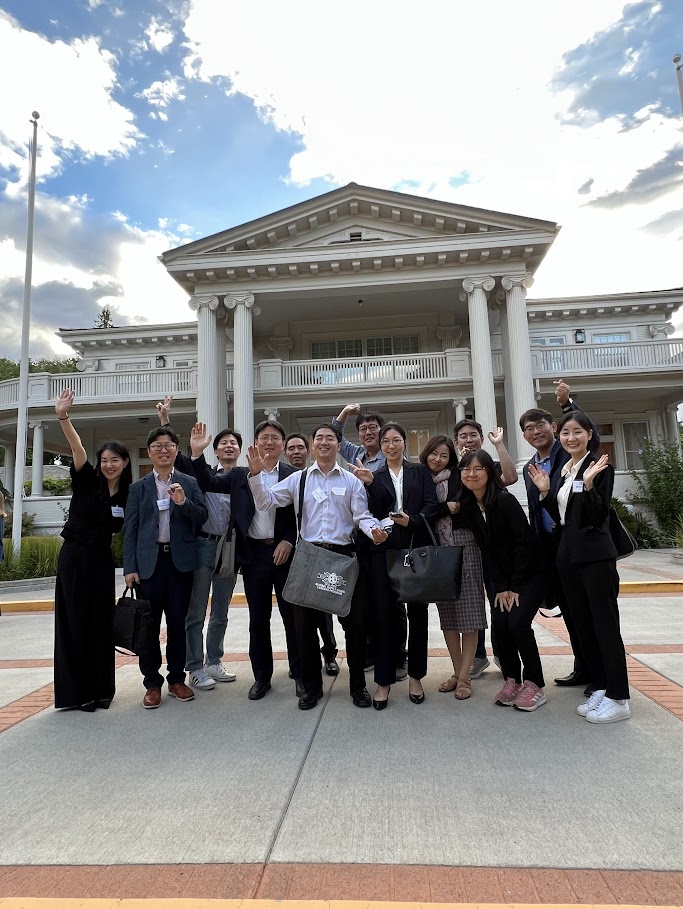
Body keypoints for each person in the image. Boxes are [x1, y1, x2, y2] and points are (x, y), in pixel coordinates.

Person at [247, 423, 387, 710]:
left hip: (345, 559)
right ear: (312, 445)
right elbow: (266, 502)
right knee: (304, 629)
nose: (324, 442)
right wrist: (256, 475)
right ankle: (312, 688)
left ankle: (358, 686)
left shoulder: (351, 481)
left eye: (330, 439)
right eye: (319, 438)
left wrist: (374, 530)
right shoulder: (299, 480)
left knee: (356, 626)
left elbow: (362, 516)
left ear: (338, 445)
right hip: (309, 558)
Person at [529, 412, 630, 723]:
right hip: (568, 556)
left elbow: (597, 517)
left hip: (595, 557)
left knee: (605, 626)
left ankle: (619, 697)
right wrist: (546, 491)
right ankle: (600, 686)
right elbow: (564, 515)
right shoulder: (565, 469)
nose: (570, 438)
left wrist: (588, 487)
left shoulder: (599, 467)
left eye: (577, 432)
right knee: (583, 625)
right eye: (566, 433)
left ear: (589, 434)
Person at [190, 420, 303, 700]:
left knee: (293, 619)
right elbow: (208, 481)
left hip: (285, 553)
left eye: (275, 437)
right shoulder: (240, 475)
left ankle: (300, 675)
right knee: (258, 620)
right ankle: (262, 678)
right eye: (264, 437)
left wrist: (289, 540)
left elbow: (302, 513)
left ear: (282, 444)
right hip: (254, 556)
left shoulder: (295, 474)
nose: (269, 441)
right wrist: (196, 454)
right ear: (256, 442)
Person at [53, 389, 132, 712]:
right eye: (105, 460)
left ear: (125, 463)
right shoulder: (88, 481)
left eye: (115, 460)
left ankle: (102, 690)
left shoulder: (127, 496)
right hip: (74, 557)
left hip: (100, 561)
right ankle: (78, 693)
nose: (109, 464)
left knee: (100, 623)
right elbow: (77, 447)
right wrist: (63, 417)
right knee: (74, 622)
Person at [519, 377, 599, 694]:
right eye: (529, 429)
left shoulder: (567, 452)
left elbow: (586, 436)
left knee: (587, 610)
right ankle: (583, 667)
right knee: (570, 610)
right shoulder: (529, 466)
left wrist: (567, 403)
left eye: (541, 425)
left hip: (577, 539)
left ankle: (599, 672)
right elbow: (535, 509)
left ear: (552, 427)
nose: (536, 432)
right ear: (524, 435)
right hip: (550, 547)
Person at [156, 395, 241, 690]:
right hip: (203, 546)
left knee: (221, 610)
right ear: (215, 450)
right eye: (223, 443)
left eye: (234, 443)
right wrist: (166, 420)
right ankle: (195, 666)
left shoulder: (242, 479)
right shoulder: (200, 475)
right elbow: (180, 458)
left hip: (229, 548)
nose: (229, 446)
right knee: (196, 610)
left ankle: (214, 661)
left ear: (239, 451)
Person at [123, 426, 208, 709]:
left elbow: (202, 517)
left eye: (168, 445)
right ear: (149, 452)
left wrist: (183, 503)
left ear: (176, 450)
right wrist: (129, 567)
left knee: (177, 624)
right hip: (149, 564)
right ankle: (152, 683)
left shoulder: (189, 482)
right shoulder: (138, 488)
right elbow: (131, 529)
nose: (163, 450)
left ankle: (176, 679)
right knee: (148, 627)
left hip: (180, 563)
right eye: (157, 446)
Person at [458, 449, 547, 712]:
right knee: (499, 626)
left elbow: (524, 544)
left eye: (478, 469)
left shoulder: (504, 501)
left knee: (518, 623)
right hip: (501, 579)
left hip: (530, 572)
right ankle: (512, 680)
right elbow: (486, 551)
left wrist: (513, 587)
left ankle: (534, 684)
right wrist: (497, 587)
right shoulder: (469, 507)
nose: (471, 474)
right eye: (465, 469)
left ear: (490, 473)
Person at [365, 422, 439, 709]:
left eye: (396, 440)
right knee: (383, 616)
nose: (391, 445)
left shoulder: (420, 472)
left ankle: (416, 677)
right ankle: (383, 681)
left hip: (415, 549)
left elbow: (432, 505)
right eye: (386, 441)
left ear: (404, 442)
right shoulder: (374, 475)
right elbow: (369, 512)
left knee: (418, 615)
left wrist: (414, 520)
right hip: (384, 551)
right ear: (381, 446)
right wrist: (375, 528)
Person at [332, 403, 408, 680]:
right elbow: (335, 436)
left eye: (373, 428)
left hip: (389, 535)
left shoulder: (392, 456)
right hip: (361, 536)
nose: (368, 433)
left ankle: (399, 655)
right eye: (363, 429)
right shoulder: (356, 454)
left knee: (393, 601)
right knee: (364, 597)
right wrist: (345, 413)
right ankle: (371, 652)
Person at [419, 435, 486, 700]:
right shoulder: (419, 477)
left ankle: (464, 677)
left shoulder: (460, 477)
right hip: (437, 548)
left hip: (465, 545)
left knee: (469, 614)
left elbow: (470, 506)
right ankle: (458, 672)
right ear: (426, 454)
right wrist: (443, 508)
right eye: (434, 453)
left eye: (444, 455)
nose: (438, 459)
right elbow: (421, 513)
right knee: (447, 614)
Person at [453, 418, 517, 680]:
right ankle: (477, 656)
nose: (469, 440)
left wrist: (499, 445)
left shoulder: (488, 467)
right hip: (467, 546)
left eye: (473, 435)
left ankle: (502, 651)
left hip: (493, 549)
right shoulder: (456, 468)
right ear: (456, 441)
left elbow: (510, 478)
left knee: (497, 598)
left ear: (481, 437)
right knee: (472, 604)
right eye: (463, 436)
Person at [284, 433, 339, 677]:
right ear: (286, 453)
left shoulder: (313, 478)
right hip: (292, 553)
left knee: (323, 610)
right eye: (291, 448)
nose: (296, 452)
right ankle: (305, 664)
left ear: (309, 451)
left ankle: (329, 653)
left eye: (300, 448)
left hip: (319, 553)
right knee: (300, 616)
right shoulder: (288, 479)